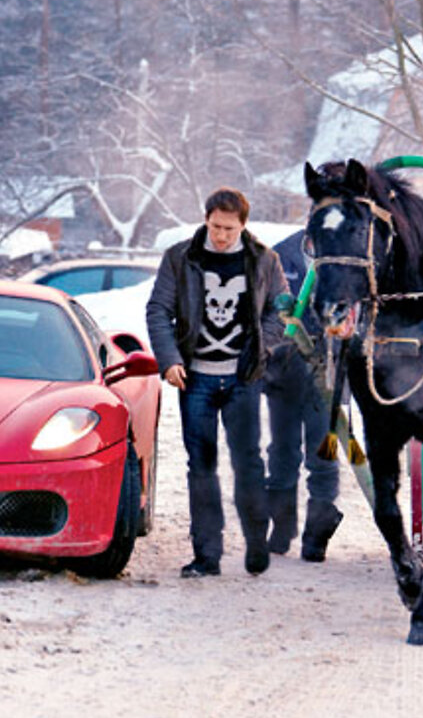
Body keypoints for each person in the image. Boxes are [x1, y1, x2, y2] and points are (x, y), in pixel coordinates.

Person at [146, 188, 290, 578]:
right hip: (196, 380)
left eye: (229, 228)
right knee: (201, 467)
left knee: (247, 462)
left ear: (243, 225)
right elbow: (158, 309)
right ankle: (206, 555)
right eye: (215, 226)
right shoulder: (180, 257)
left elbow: (282, 311)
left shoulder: (264, 260)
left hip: (243, 378)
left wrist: (261, 351)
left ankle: (257, 540)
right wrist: (170, 360)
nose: (221, 235)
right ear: (205, 219)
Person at [263, 230, 343, 562]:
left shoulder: (345, 256)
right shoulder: (279, 255)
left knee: (322, 452)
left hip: (327, 368)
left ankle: (316, 536)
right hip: (284, 367)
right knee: (281, 451)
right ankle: (282, 528)